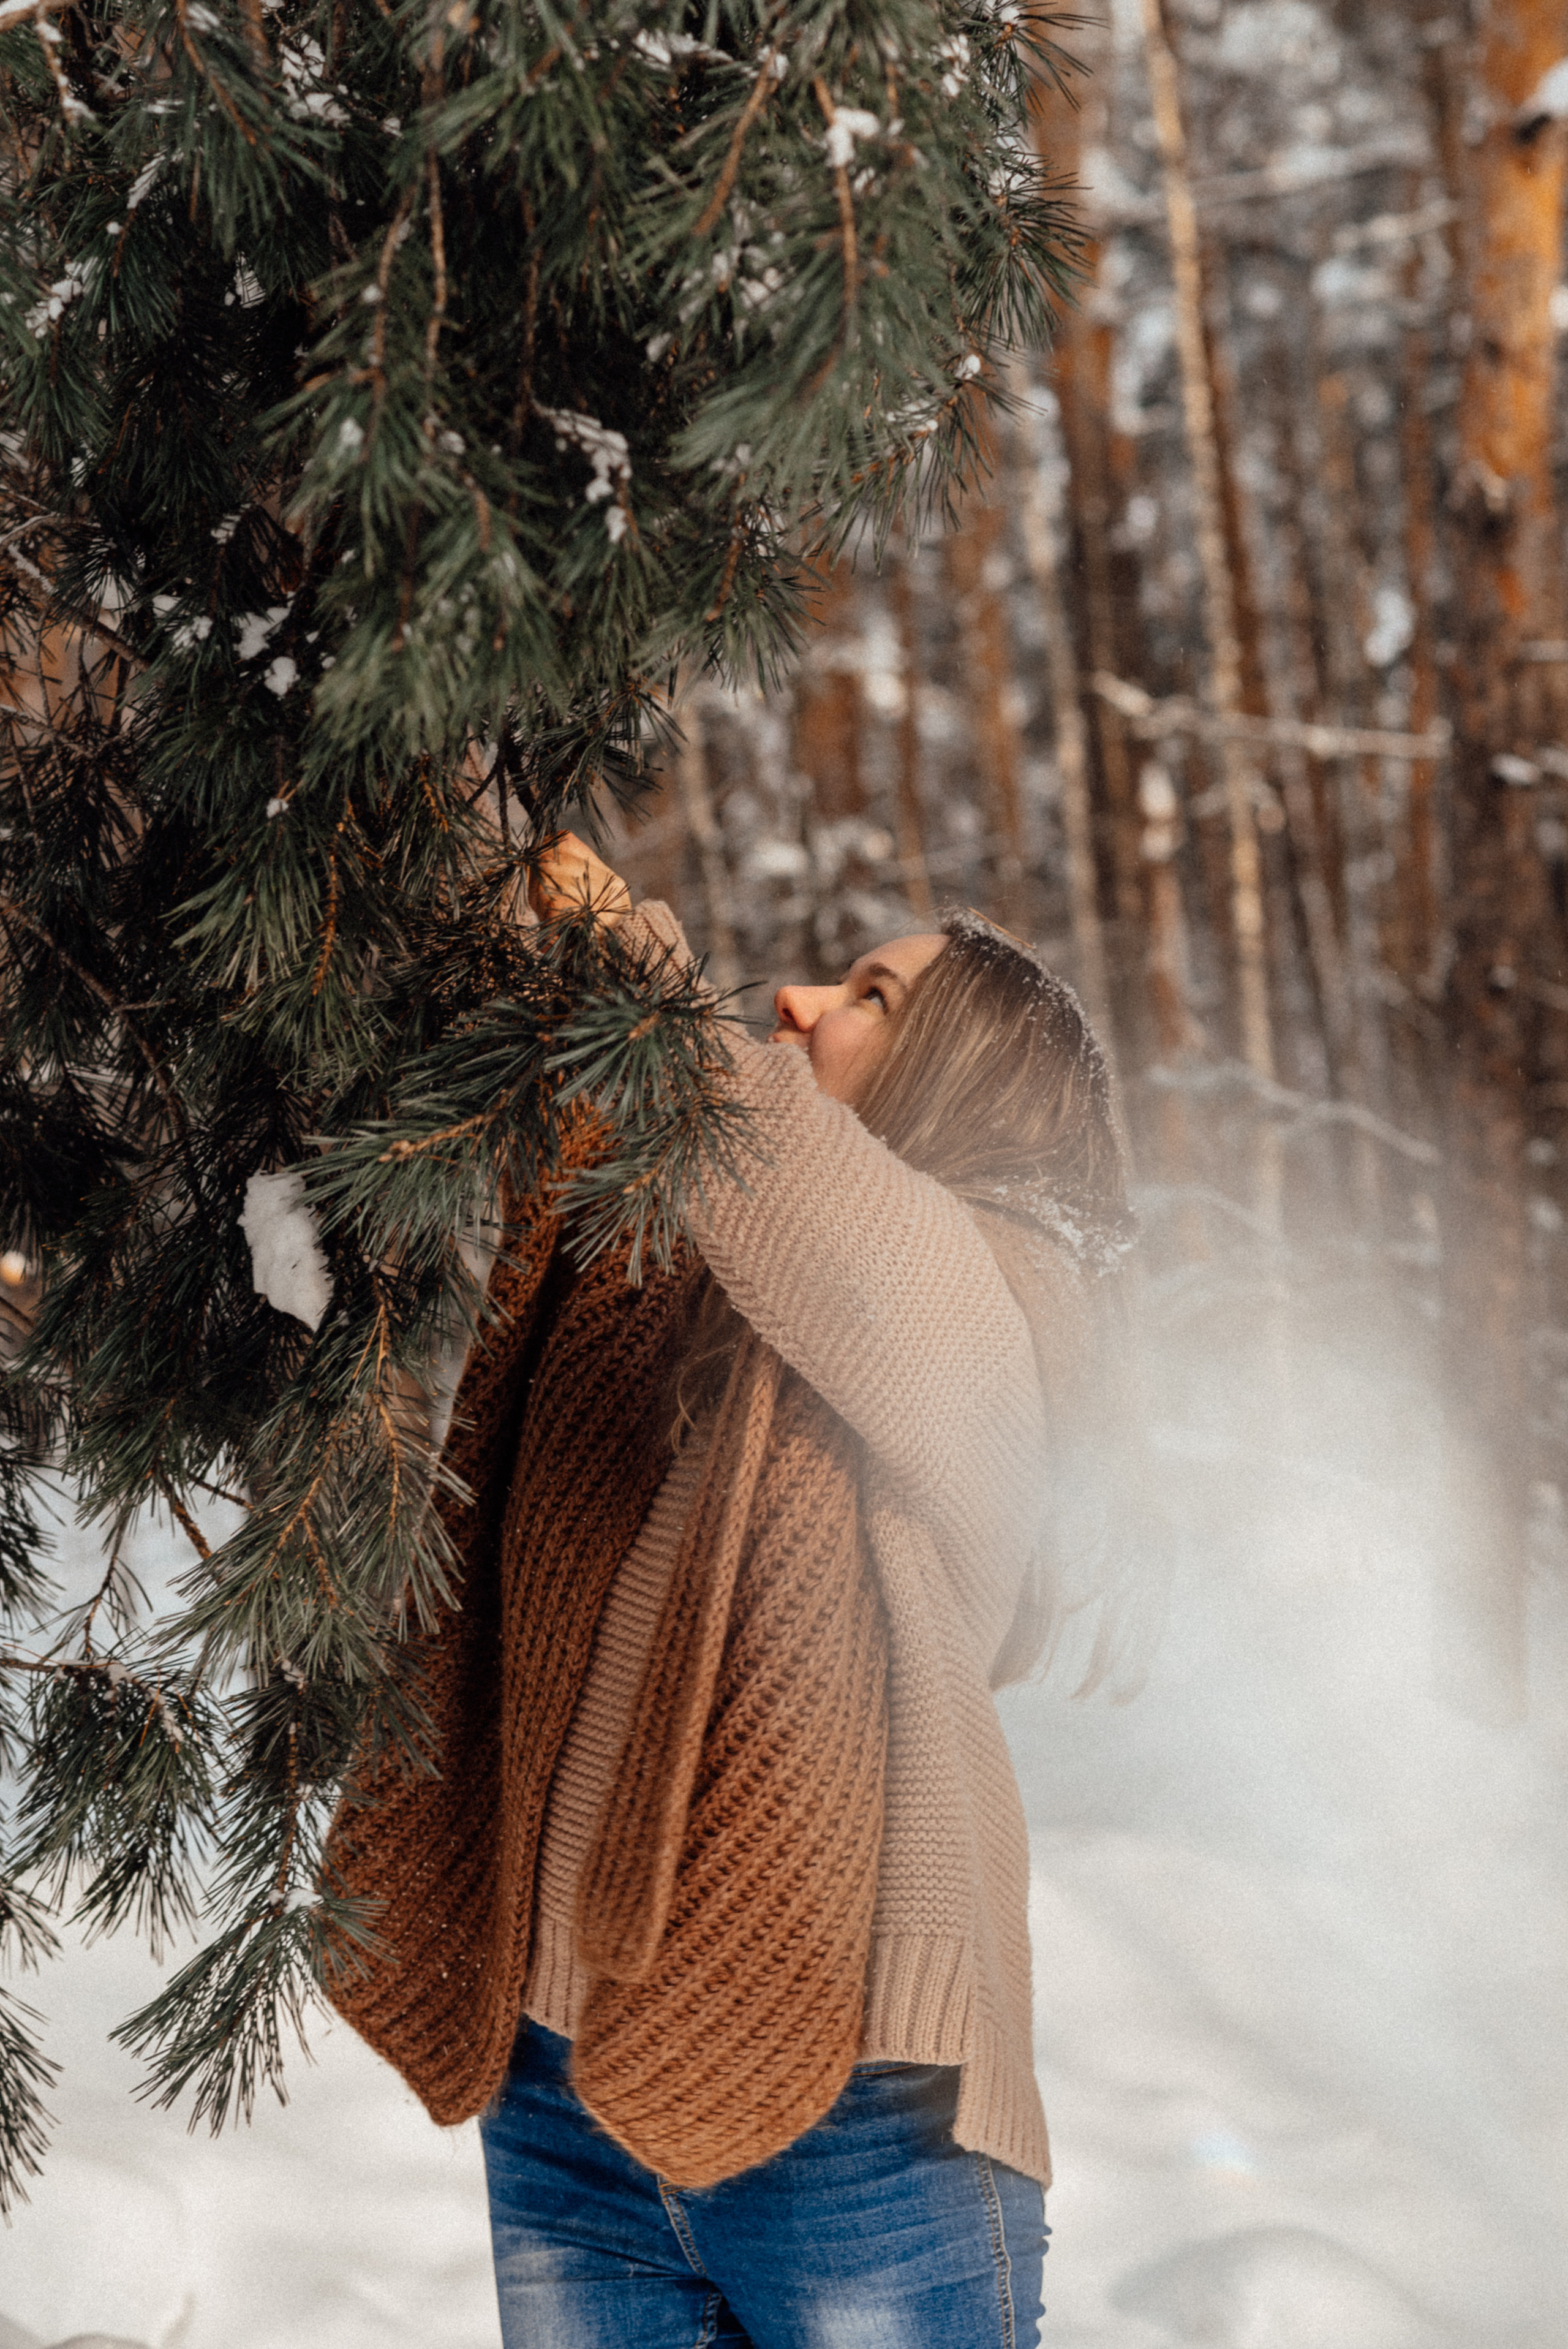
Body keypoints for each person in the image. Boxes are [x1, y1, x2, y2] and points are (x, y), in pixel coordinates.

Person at [323, 831, 1137, 2349]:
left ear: (971, 1081)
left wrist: (643, 986)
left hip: (865, 2111)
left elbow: (824, 1217)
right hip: (559, 2084)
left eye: (871, 996)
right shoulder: (684, 1277)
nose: (794, 999)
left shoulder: (994, 1308)